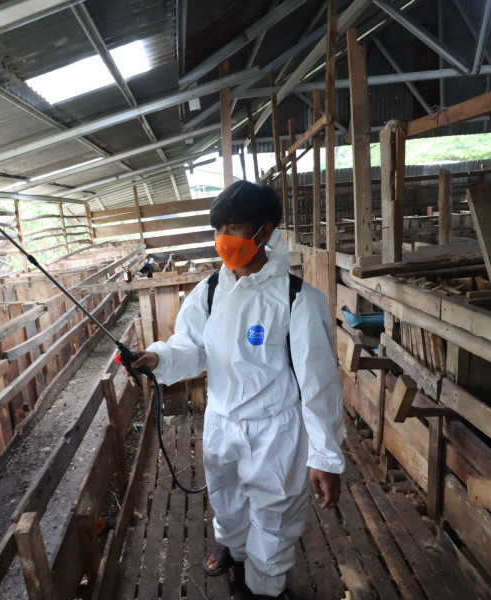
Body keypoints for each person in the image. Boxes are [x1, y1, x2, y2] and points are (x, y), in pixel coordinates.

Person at [129, 180, 344, 600]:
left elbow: (320, 384)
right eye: (218, 229)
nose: (223, 240)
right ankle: (236, 550)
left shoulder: (298, 299)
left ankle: (265, 588)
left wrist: (325, 457)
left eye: (234, 227)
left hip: (275, 432)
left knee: (274, 516)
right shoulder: (210, 291)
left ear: (264, 232)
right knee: (226, 503)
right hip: (222, 422)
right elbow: (190, 347)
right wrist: (158, 359)